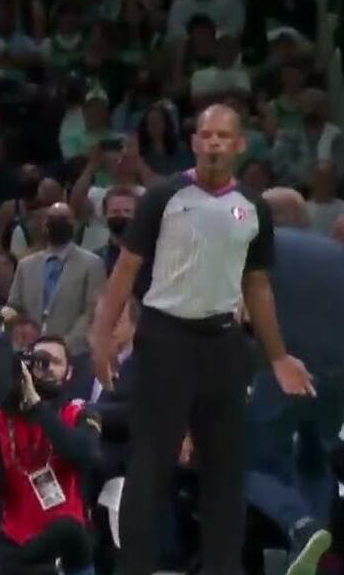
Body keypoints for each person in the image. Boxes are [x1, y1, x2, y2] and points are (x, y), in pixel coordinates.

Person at [89, 104, 316, 575]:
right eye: (206, 134)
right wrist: (100, 336)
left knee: (225, 474)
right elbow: (126, 269)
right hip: (165, 338)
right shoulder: (163, 196)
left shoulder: (253, 208)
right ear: (194, 143)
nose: (213, 142)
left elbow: (257, 286)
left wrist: (278, 357)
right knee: (150, 467)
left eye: (223, 136)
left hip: (223, 343)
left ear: (240, 145)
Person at [246, 188, 340, 575]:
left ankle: (301, 526)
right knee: (315, 461)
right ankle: (318, 556)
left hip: (284, 368)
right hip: (337, 376)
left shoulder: (259, 254)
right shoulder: (336, 253)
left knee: (245, 461)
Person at [0, 336, 101, 575]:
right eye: (40, 361)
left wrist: (37, 406)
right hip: (17, 538)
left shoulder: (80, 414)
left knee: (66, 529)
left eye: (56, 362)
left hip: (69, 538)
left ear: (69, 373)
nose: (48, 367)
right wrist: (3, 397)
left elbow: (83, 452)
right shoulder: (2, 421)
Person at [6, 203, 106, 358]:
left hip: (75, 354)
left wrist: (63, 346)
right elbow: (14, 307)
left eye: (63, 218)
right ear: (44, 225)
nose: (57, 223)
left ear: (74, 224)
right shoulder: (26, 265)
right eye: (52, 219)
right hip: (29, 353)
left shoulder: (92, 264)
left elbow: (91, 312)